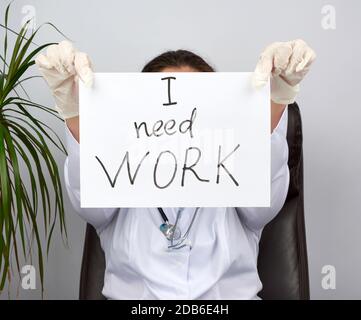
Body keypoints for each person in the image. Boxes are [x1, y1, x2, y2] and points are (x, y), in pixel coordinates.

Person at [36, 39, 315, 299]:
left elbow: (262, 193)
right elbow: (89, 195)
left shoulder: (237, 170)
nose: (181, 117)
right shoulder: (119, 170)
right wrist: (75, 112)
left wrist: (277, 99)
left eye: (194, 104)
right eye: (168, 105)